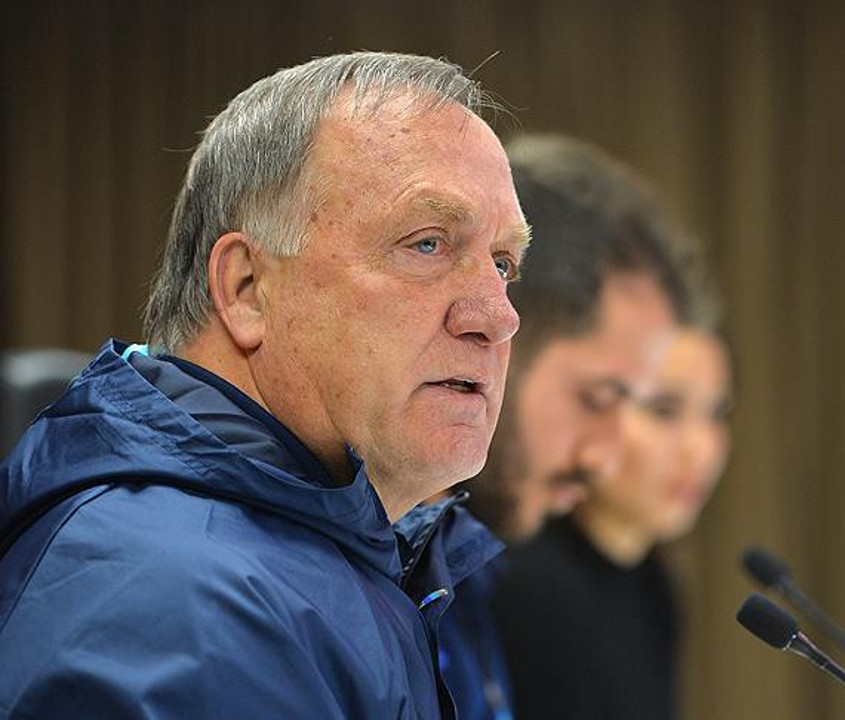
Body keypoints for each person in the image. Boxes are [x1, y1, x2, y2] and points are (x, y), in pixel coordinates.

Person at [0, 51, 527, 718]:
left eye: (503, 263)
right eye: (427, 243)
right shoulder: (178, 611)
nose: (498, 316)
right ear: (248, 288)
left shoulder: (334, 558)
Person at [420, 134, 695, 720]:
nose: (604, 457)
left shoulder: (459, 570)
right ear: (498, 336)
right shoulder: (339, 580)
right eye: (597, 399)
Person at [492, 327, 733, 720]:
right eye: (664, 409)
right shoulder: (528, 583)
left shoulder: (653, 584)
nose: (701, 449)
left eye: (717, 413)